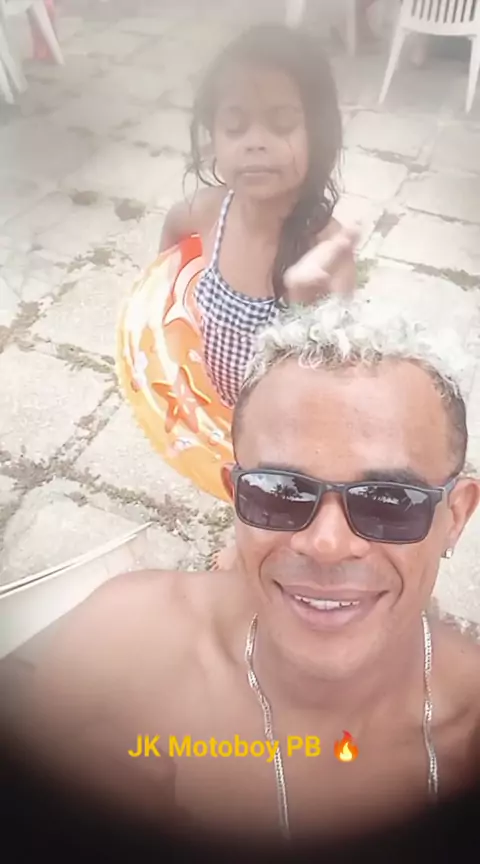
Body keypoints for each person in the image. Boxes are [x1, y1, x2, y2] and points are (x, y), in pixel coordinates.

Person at [2, 296, 480, 847]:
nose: (326, 544)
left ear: (455, 517)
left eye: (388, 501)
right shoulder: (115, 658)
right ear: (236, 497)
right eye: (280, 493)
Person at [160, 24, 356, 412]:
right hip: (206, 421)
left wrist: (304, 308)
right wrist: (166, 305)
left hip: (275, 429)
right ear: (213, 137)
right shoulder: (204, 214)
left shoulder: (328, 256)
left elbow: (326, 386)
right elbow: (171, 231)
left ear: (317, 134)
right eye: (235, 126)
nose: (255, 142)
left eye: (281, 124)